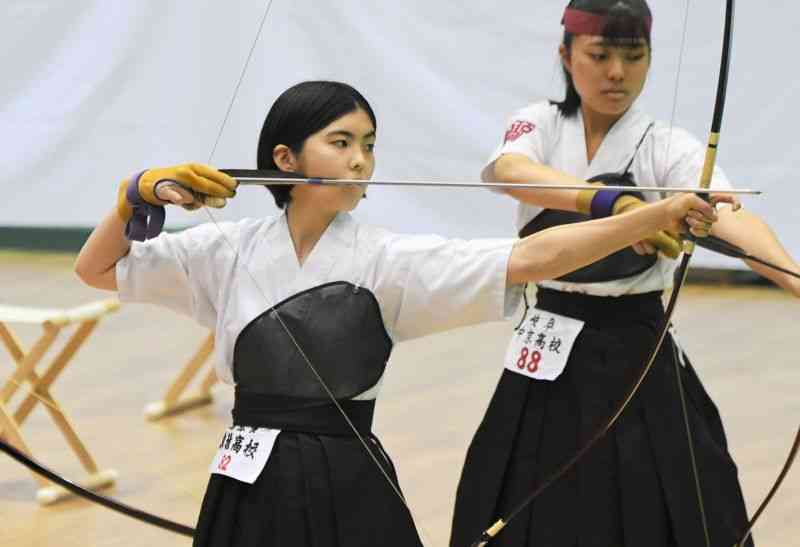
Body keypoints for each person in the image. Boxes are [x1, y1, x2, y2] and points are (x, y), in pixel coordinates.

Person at [74, 80, 720, 547]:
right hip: (249, 475)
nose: (361, 159)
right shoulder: (225, 249)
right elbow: (97, 268)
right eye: (341, 142)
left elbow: (531, 257)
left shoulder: (388, 259)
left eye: (369, 144)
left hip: (348, 473)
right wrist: (133, 191)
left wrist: (646, 213)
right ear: (284, 159)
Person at [450, 2, 800, 547]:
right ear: (566, 56)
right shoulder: (539, 124)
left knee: (673, 494)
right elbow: (512, 172)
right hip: (549, 337)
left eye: (634, 56)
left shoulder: (667, 144)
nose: (617, 72)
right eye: (600, 54)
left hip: (636, 339)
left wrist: (793, 278)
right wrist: (616, 206)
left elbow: (729, 217)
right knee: (521, 490)